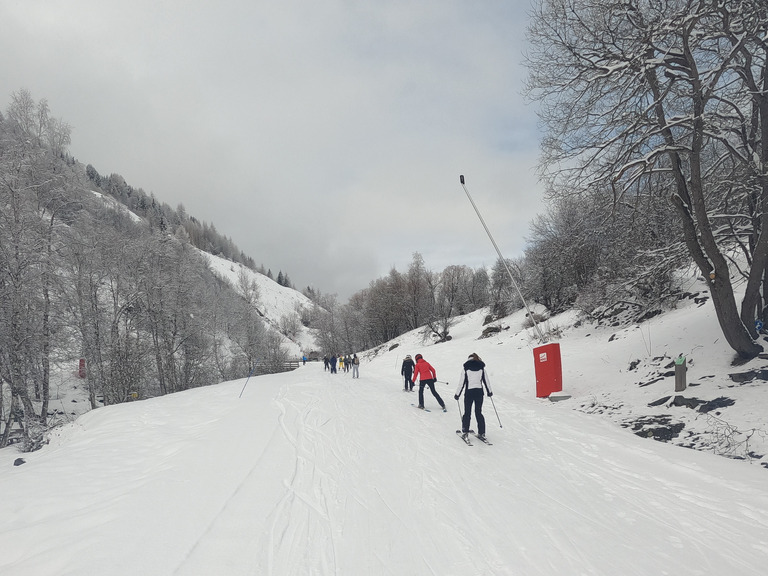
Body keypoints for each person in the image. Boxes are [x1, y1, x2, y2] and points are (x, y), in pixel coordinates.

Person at [454, 352, 493, 441]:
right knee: (478, 412)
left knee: (467, 413)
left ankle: (465, 432)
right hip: (479, 392)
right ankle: (482, 432)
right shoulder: (481, 368)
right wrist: (489, 392)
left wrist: (457, 394)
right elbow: (486, 381)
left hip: (469, 393)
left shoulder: (466, 368)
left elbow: (461, 383)